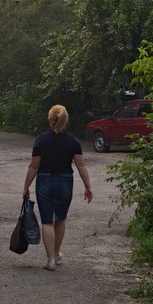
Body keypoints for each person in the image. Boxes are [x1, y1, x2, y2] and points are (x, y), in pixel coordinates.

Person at [22, 104, 93, 271]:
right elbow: (81, 165)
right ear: (65, 119)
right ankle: (57, 253)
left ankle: (51, 261)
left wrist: (26, 187)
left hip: (45, 181)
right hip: (65, 182)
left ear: (50, 119)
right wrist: (88, 187)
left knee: (47, 221)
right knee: (60, 219)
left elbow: (33, 167)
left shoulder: (41, 139)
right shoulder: (72, 140)